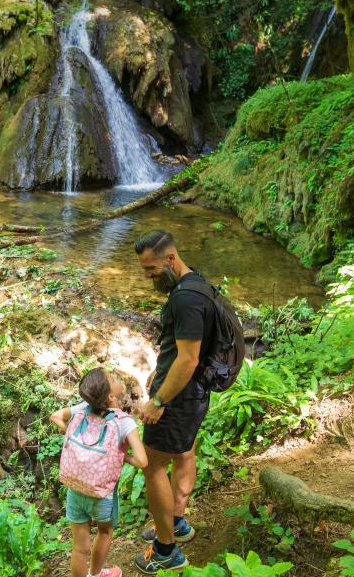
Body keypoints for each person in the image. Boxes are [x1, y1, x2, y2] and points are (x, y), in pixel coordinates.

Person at [132, 230, 216, 574]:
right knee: (184, 452)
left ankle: (167, 550)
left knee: (152, 467)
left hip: (179, 396)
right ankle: (177, 522)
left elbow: (188, 359)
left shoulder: (184, 300)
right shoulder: (197, 282)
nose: (147, 276)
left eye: (151, 269)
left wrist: (159, 399)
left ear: (170, 259)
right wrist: (158, 374)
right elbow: (181, 352)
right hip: (193, 392)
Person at [50, 368, 148, 577]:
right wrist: (120, 454)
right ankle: (95, 574)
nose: (116, 376)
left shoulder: (83, 409)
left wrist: (77, 441)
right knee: (104, 531)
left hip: (75, 489)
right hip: (101, 495)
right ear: (111, 396)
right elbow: (142, 461)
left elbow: (56, 416)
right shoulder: (123, 422)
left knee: (79, 547)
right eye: (113, 379)